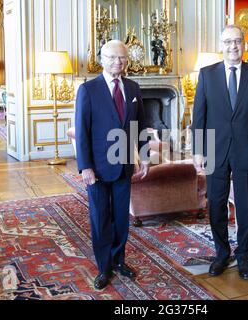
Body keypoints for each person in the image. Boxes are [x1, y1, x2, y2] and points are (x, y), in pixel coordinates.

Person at [191, 25, 248, 280]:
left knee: (246, 206)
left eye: (237, 41)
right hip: (214, 149)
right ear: (221, 45)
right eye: (228, 42)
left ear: (244, 44)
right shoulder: (206, 74)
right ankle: (221, 253)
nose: (233, 46)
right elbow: (199, 116)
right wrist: (197, 151)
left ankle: (244, 256)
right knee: (216, 203)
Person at [75, 40, 149, 290]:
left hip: (124, 165)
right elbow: (82, 131)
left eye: (123, 58)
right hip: (96, 168)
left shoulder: (134, 88)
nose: (119, 62)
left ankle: (119, 260)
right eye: (113, 58)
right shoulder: (88, 90)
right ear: (102, 59)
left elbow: (140, 125)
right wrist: (85, 166)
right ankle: (104, 267)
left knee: (120, 218)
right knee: (100, 218)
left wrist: (145, 155)